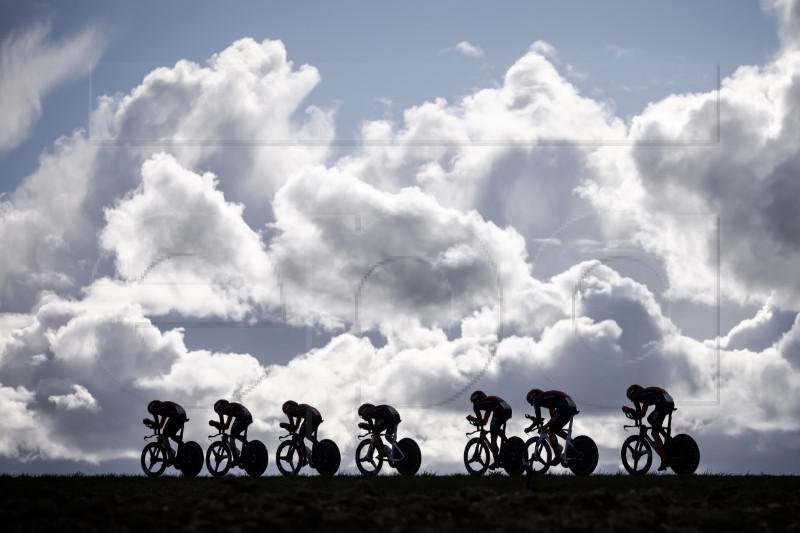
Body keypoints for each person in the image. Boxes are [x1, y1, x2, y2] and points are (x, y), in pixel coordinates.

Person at [623, 384, 675, 471]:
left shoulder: (636, 396)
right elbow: (642, 414)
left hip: (662, 403)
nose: (632, 400)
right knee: (650, 419)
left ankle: (665, 459)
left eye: (630, 399)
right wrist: (633, 412)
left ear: (631, 393)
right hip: (668, 402)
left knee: (654, 433)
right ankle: (666, 437)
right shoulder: (645, 394)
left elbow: (639, 414)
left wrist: (630, 410)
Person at [526, 389, 578, 466]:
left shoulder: (536, 399)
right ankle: (572, 444)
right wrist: (545, 425)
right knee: (555, 429)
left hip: (564, 407)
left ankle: (557, 456)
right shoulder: (548, 398)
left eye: (532, 404)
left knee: (551, 430)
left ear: (531, 398)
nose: (534, 405)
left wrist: (530, 428)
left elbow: (538, 419)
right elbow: (553, 417)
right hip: (570, 406)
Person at [467, 390, 512, 469]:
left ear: (475, 399)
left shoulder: (477, 405)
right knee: (495, 428)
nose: (474, 404)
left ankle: (496, 462)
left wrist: (472, 418)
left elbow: (480, 421)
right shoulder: (488, 402)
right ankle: (508, 445)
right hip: (508, 409)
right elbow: (484, 422)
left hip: (500, 410)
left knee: (493, 433)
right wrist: (478, 421)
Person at [209, 399, 253, 465]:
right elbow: (226, 426)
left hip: (241, 417)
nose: (218, 412)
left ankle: (235, 459)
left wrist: (213, 423)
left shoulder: (221, 409)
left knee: (232, 437)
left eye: (217, 411)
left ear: (218, 406)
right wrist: (218, 425)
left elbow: (222, 426)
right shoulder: (230, 407)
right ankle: (250, 447)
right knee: (235, 434)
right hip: (248, 416)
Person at [143, 400, 187, 464]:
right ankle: (184, 447)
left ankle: (170, 456)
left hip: (175, 415)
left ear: (152, 408)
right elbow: (160, 425)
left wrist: (149, 422)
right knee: (171, 435)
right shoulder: (164, 407)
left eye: (151, 413)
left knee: (164, 436)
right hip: (182, 415)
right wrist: (151, 423)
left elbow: (157, 424)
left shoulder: (157, 408)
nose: (153, 414)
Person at [281, 400, 323, 465]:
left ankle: (304, 459)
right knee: (307, 435)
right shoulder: (299, 409)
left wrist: (284, 426)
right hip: (317, 415)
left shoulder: (290, 411)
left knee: (300, 437)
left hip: (311, 415)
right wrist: (293, 429)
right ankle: (319, 450)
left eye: (285, 412)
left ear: (286, 408)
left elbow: (292, 425)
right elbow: (296, 427)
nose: (287, 414)